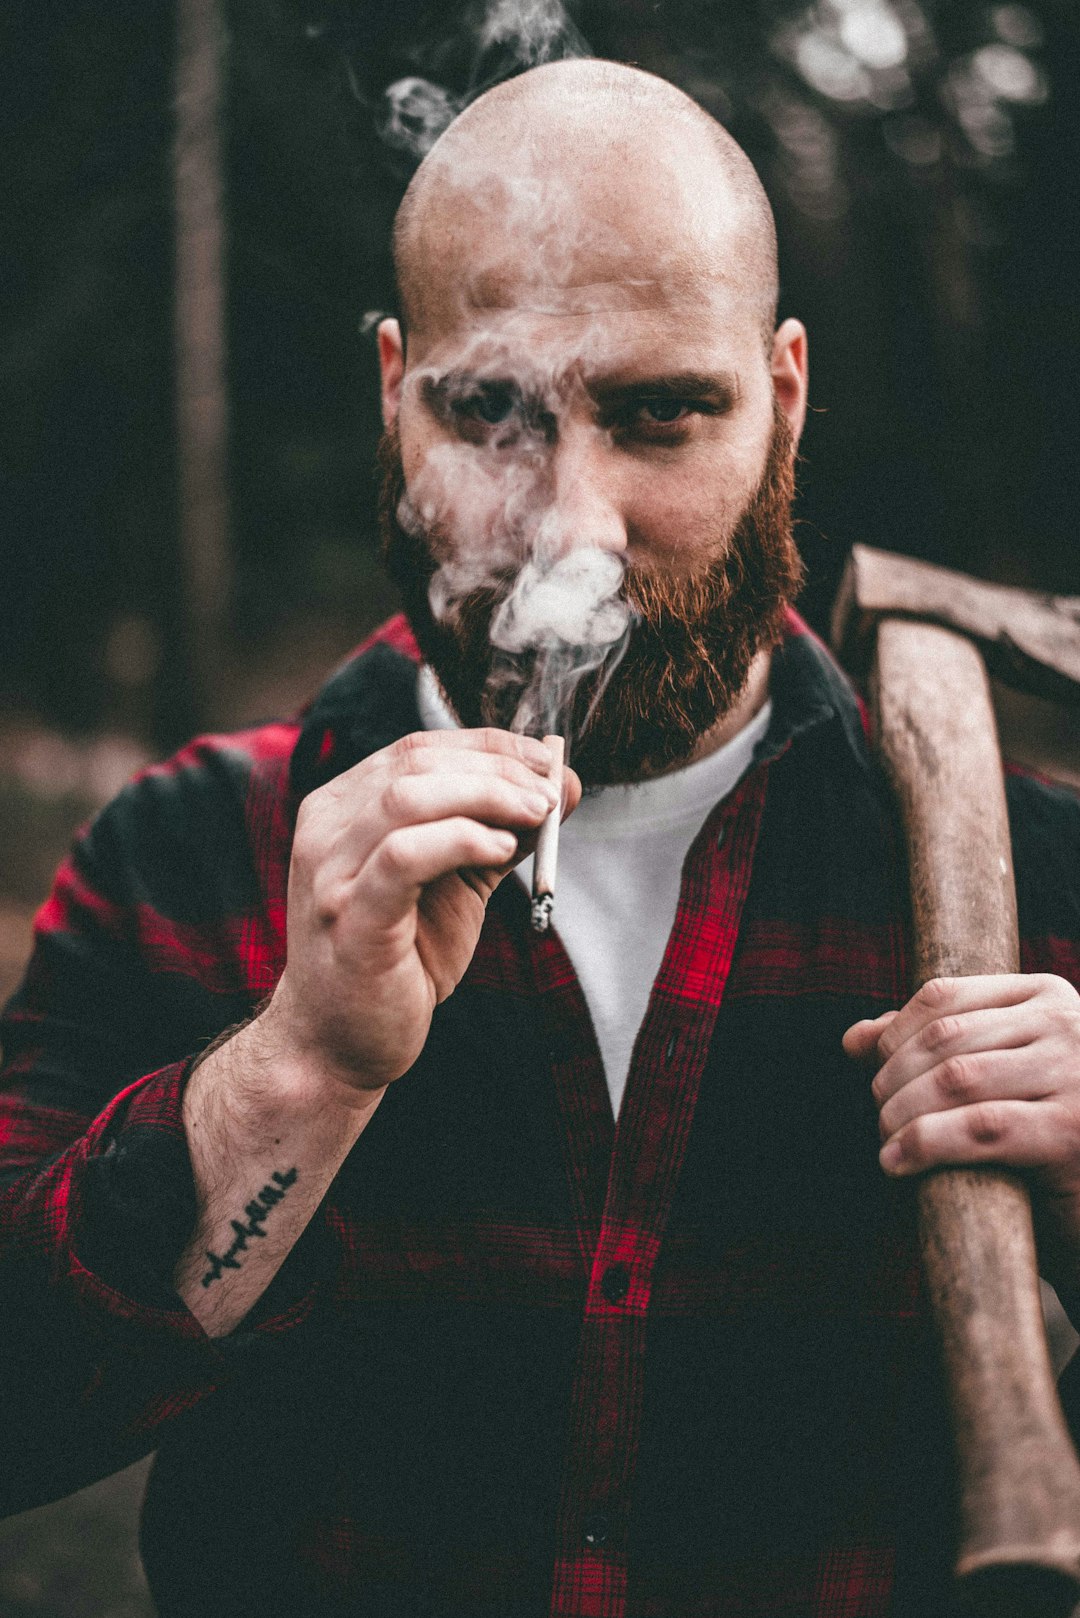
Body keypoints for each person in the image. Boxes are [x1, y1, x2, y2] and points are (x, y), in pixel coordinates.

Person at [2, 57, 1080, 1618]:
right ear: (394, 391)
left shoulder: (1031, 878)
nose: (573, 532)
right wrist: (297, 1068)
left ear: (781, 398)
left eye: (661, 416)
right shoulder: (186, 849)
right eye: (492, 412)